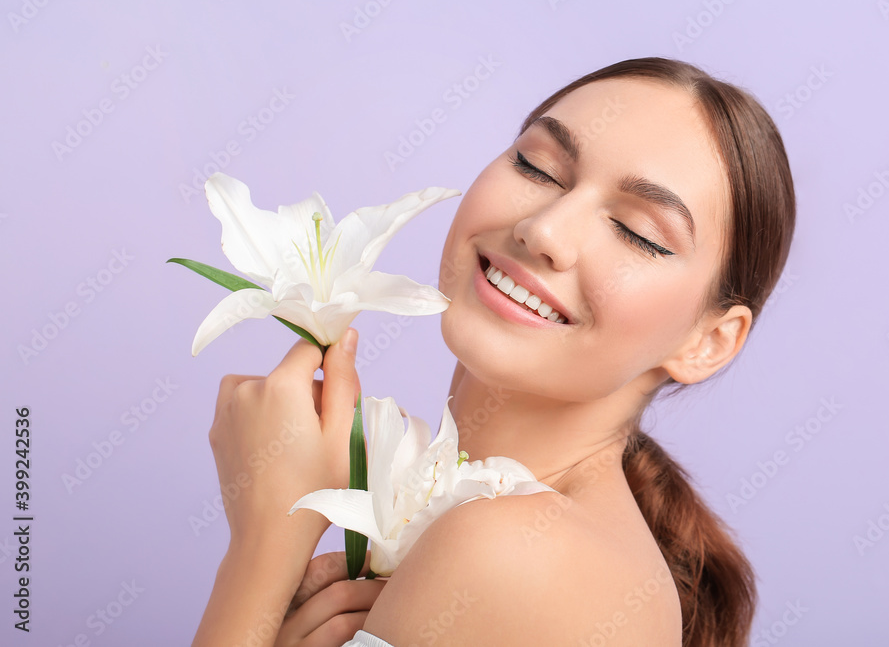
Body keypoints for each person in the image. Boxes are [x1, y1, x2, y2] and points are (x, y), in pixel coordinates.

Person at [192, 56, 796, 647]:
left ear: (707, 342)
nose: (545, 230)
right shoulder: (529, 535)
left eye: (638, 231)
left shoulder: (519, 552)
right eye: (537, 167)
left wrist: (264, 547)